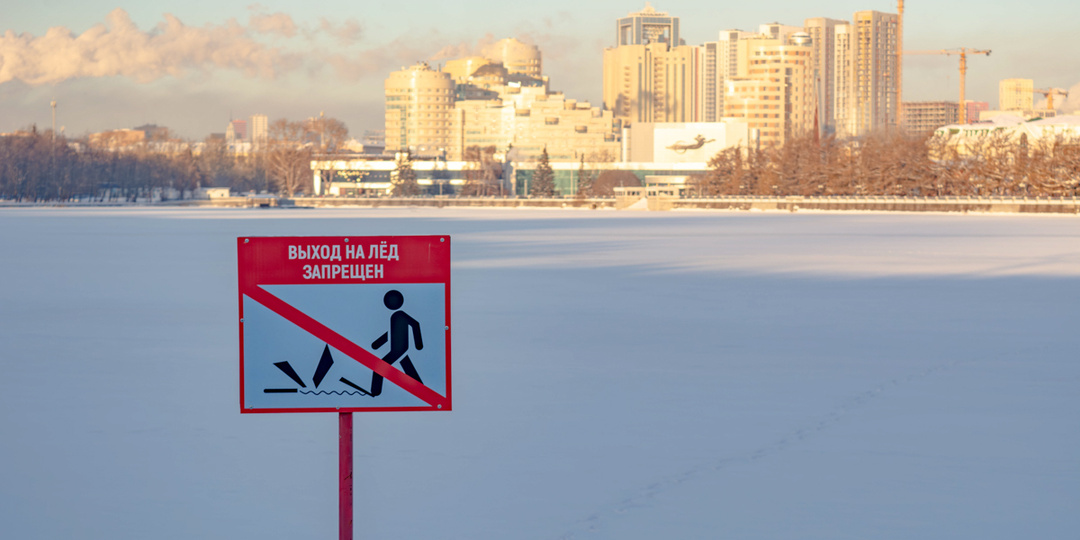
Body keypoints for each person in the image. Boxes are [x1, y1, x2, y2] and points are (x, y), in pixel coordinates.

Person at [363, 290, 423, 397]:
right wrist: (377, 343)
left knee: (379, 368)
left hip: (399, 349)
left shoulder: (400, 315)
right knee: (408, 368)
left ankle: (375, 391)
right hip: (398, 349)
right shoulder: (395, 316)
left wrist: (418, 344)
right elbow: (392, 333)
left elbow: (415, 324)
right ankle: (421, 390)